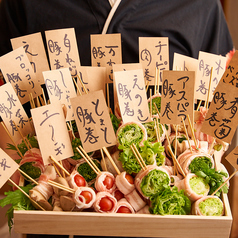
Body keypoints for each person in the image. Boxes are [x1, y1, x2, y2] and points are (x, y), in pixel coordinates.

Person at [0, 1, 234, 238]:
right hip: (57, 212)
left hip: (169, 228)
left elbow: (223, 106)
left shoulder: (201, 5)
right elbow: (6, 103)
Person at [0, 0, 233, 67]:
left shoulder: (199, 5)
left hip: (171, 182)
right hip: (52, 179)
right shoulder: (23, 4)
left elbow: (222, 111)